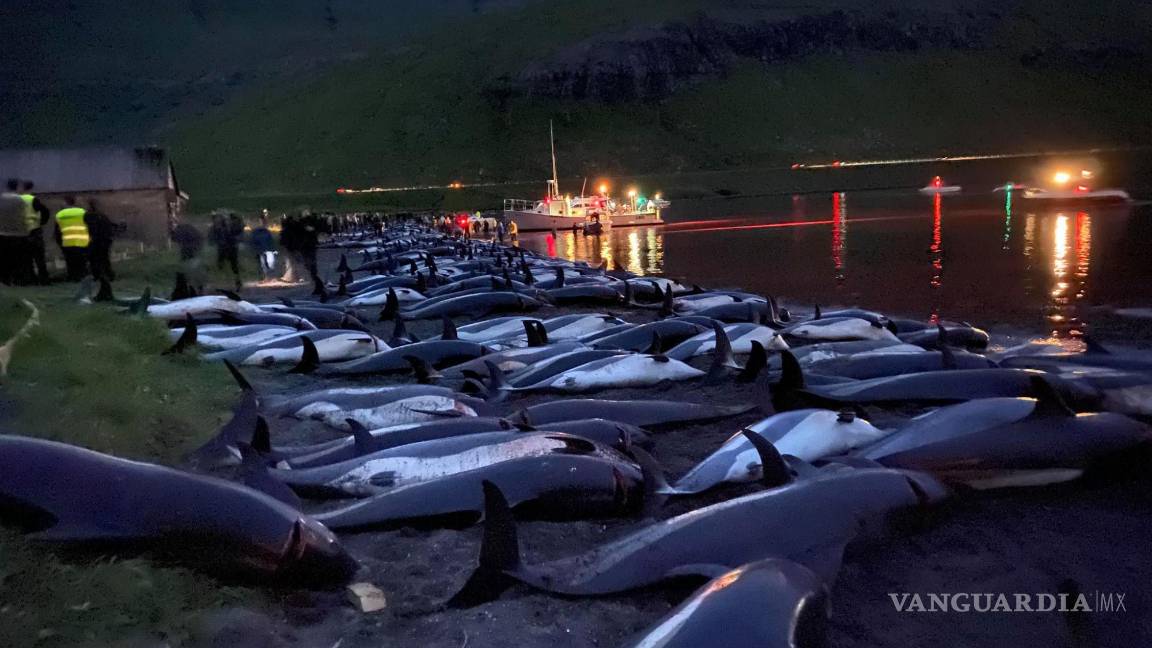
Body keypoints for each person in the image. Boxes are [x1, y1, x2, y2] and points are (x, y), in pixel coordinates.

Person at [20, 181, 50, 284]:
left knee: (26, 257)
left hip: (22, 231)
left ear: (22, 188)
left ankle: (30, 279)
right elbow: (45, 211)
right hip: (35, 230)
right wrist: (41, 222)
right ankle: (44, 279)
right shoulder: (33, 199)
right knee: (39, 257)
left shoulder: (17, 200)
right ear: (31, 188)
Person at [0, 179, 29, 285]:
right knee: (18, 259)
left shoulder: (1, 199)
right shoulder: (20, 200)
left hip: (2, 233)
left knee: (4, 259)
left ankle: (5, 280)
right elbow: (24, 216)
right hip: (19, 233)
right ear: (17, 187)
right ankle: (17, 280)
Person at [54, 196, 90, 281]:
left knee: (70, 261)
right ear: (74, 202)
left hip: (67, 241)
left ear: (65, 202)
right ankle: (83, 275)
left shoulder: (60, 214)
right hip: (82, 240)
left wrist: (59, 241)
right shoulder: (82, 212)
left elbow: (57, 230)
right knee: (82, 260)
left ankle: (73, 277)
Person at [85, 200, 118, 282]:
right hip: (104, 240)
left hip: (94, 240)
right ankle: (108, 275)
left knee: (94, 259)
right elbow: (109, 225)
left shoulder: (87, 216)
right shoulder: (102, 216)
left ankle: (97, 275)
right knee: (104, 259)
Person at [170, 222, 206, 296]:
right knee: (193, 267)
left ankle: (192, 287)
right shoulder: (184, 228)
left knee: (189, 267)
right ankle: (198, 287)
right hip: (194, 249)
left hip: (191, 250)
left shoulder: (180, 231)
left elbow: (175, 239)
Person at [249, 214, 277, 281]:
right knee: (262, 263)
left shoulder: (265, 231)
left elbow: (270, 240)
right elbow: (253, 241)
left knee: (265, 262)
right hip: (260, 249)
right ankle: (265, 276)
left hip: (264, 249)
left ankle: (267, 276)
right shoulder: (257, 232)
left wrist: (272, 248)